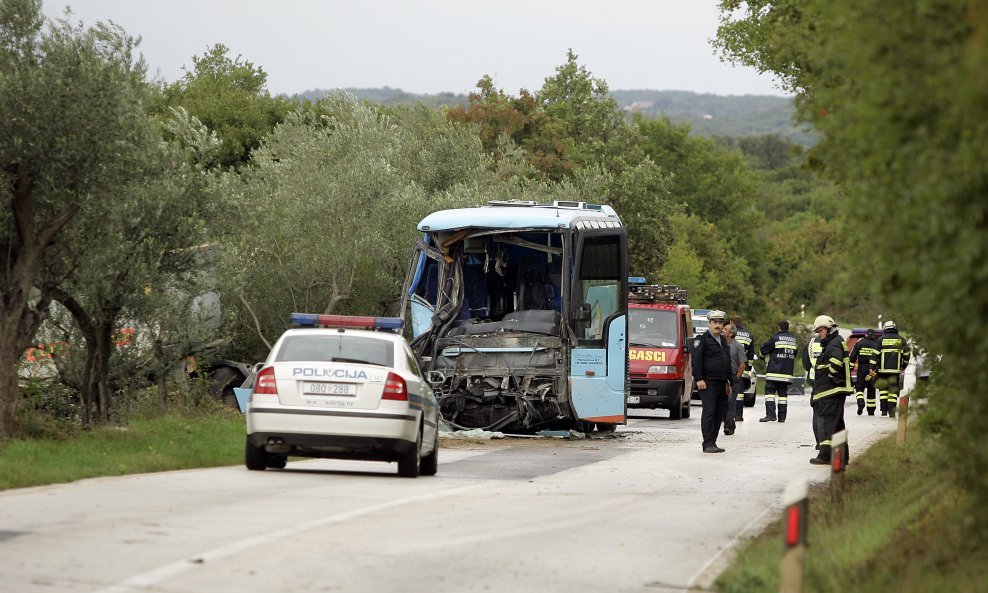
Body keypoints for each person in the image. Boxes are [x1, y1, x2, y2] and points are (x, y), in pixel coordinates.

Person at [810, 314, 853, 465]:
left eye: (820, 331)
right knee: (837, 423)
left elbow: (836, 362)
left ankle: (826, 455)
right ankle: (842, 456)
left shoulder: (834, 343)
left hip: (831, 391)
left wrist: (830, 377)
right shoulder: (835, 342)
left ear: (828, 329)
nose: (819, 335)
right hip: (833, 390)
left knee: (827, 422)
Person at [691, 309, 732, 453]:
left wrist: (729, 382)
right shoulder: (701, 340)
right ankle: (707, 443)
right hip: (707, 382)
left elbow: (727, 362)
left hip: (721, 382)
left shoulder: (724, 342)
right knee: (709, 411)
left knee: (719, 413)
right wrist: (699, 378)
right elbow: (696, 361)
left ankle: (713, 442)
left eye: (720, 323)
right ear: (709, 323)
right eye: (715, 322)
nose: (718, 325)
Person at [759, 320, 798, 422]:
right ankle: (782, 417)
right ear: (788, 328)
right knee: (783, 396)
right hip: (787, 373)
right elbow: (795, 354)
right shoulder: (793, 340)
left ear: (779, 328)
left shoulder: (775, 338)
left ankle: (771, 415)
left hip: (774, 372)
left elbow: (764, 350)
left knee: (770, 394)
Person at [875, 320, 911, 418]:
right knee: (893, 391)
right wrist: (904, 366)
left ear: (885, 328)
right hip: (895, 371)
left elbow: (875, 355)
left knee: (883, 390)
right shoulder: (901, 340)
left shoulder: (881, 339)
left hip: (882, 371)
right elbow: (907, 355)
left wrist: (872, 367)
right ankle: (892, 411)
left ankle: (883, 411)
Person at [849, 328, 881, 415]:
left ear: (865, 335)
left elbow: (852, 357)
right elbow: (880, 358)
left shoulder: (860, 343)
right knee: (871, 389)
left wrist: (850, 369)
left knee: (859, 387)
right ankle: (871, 411)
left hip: (861, 368)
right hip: (872, 369)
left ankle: (860, 402)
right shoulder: (876, 344)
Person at [801, 335, 824, 447]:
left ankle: (819, 442)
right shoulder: (836, 342)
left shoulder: (811, 343)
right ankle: (827, 443)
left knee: (817, 413)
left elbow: (806, 364)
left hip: (815, 382)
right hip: (830, 384)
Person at [724, 323, 747, 429]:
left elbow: (742, 364)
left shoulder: (738, 346)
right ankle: (725, 420)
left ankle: (728, 426)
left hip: (733, 377)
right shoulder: (720, 343)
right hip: (721, 377)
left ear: (730, 333)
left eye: (725, 329)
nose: (723, 330)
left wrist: (736, 377)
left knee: (731, 401)